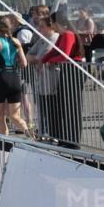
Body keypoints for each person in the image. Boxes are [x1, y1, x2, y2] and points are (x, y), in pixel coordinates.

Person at [40, 12, 84, 148]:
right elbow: (54, 51)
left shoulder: (68, 34)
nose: (52, 26)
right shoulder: (63, 35)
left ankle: (73, 140)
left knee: (72, 106)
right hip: (67, 70)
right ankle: (67, 138)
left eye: (52, 23)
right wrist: (44, 59)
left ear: (56, 23)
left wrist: (49, 61)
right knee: (65, 105)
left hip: (73, 70)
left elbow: (64, 55)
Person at [0, 17, 29, 136]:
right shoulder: (16, 41)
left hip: (0, 78)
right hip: (14, 78)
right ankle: (29, 132)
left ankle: (5, 145)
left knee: (0, 117)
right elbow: (24, 63)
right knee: (15, 116)